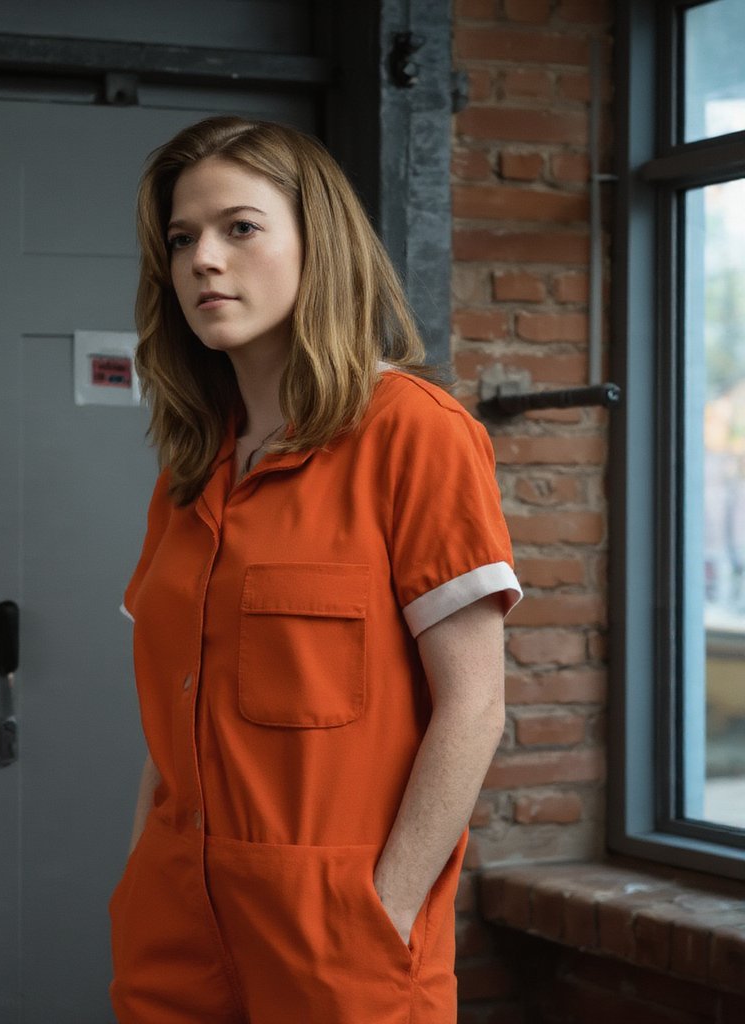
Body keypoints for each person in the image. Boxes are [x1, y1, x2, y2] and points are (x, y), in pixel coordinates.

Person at [108, 115, 522, 1024]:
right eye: (182, 240)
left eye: (239, 227)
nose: (203, 260)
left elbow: (474, 706)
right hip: (176, 926)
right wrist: (144, 871)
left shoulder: (414, 434)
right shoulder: (189, 470)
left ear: (316, 242)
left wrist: (385, 910)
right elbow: (173, 706)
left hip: (339, 940)